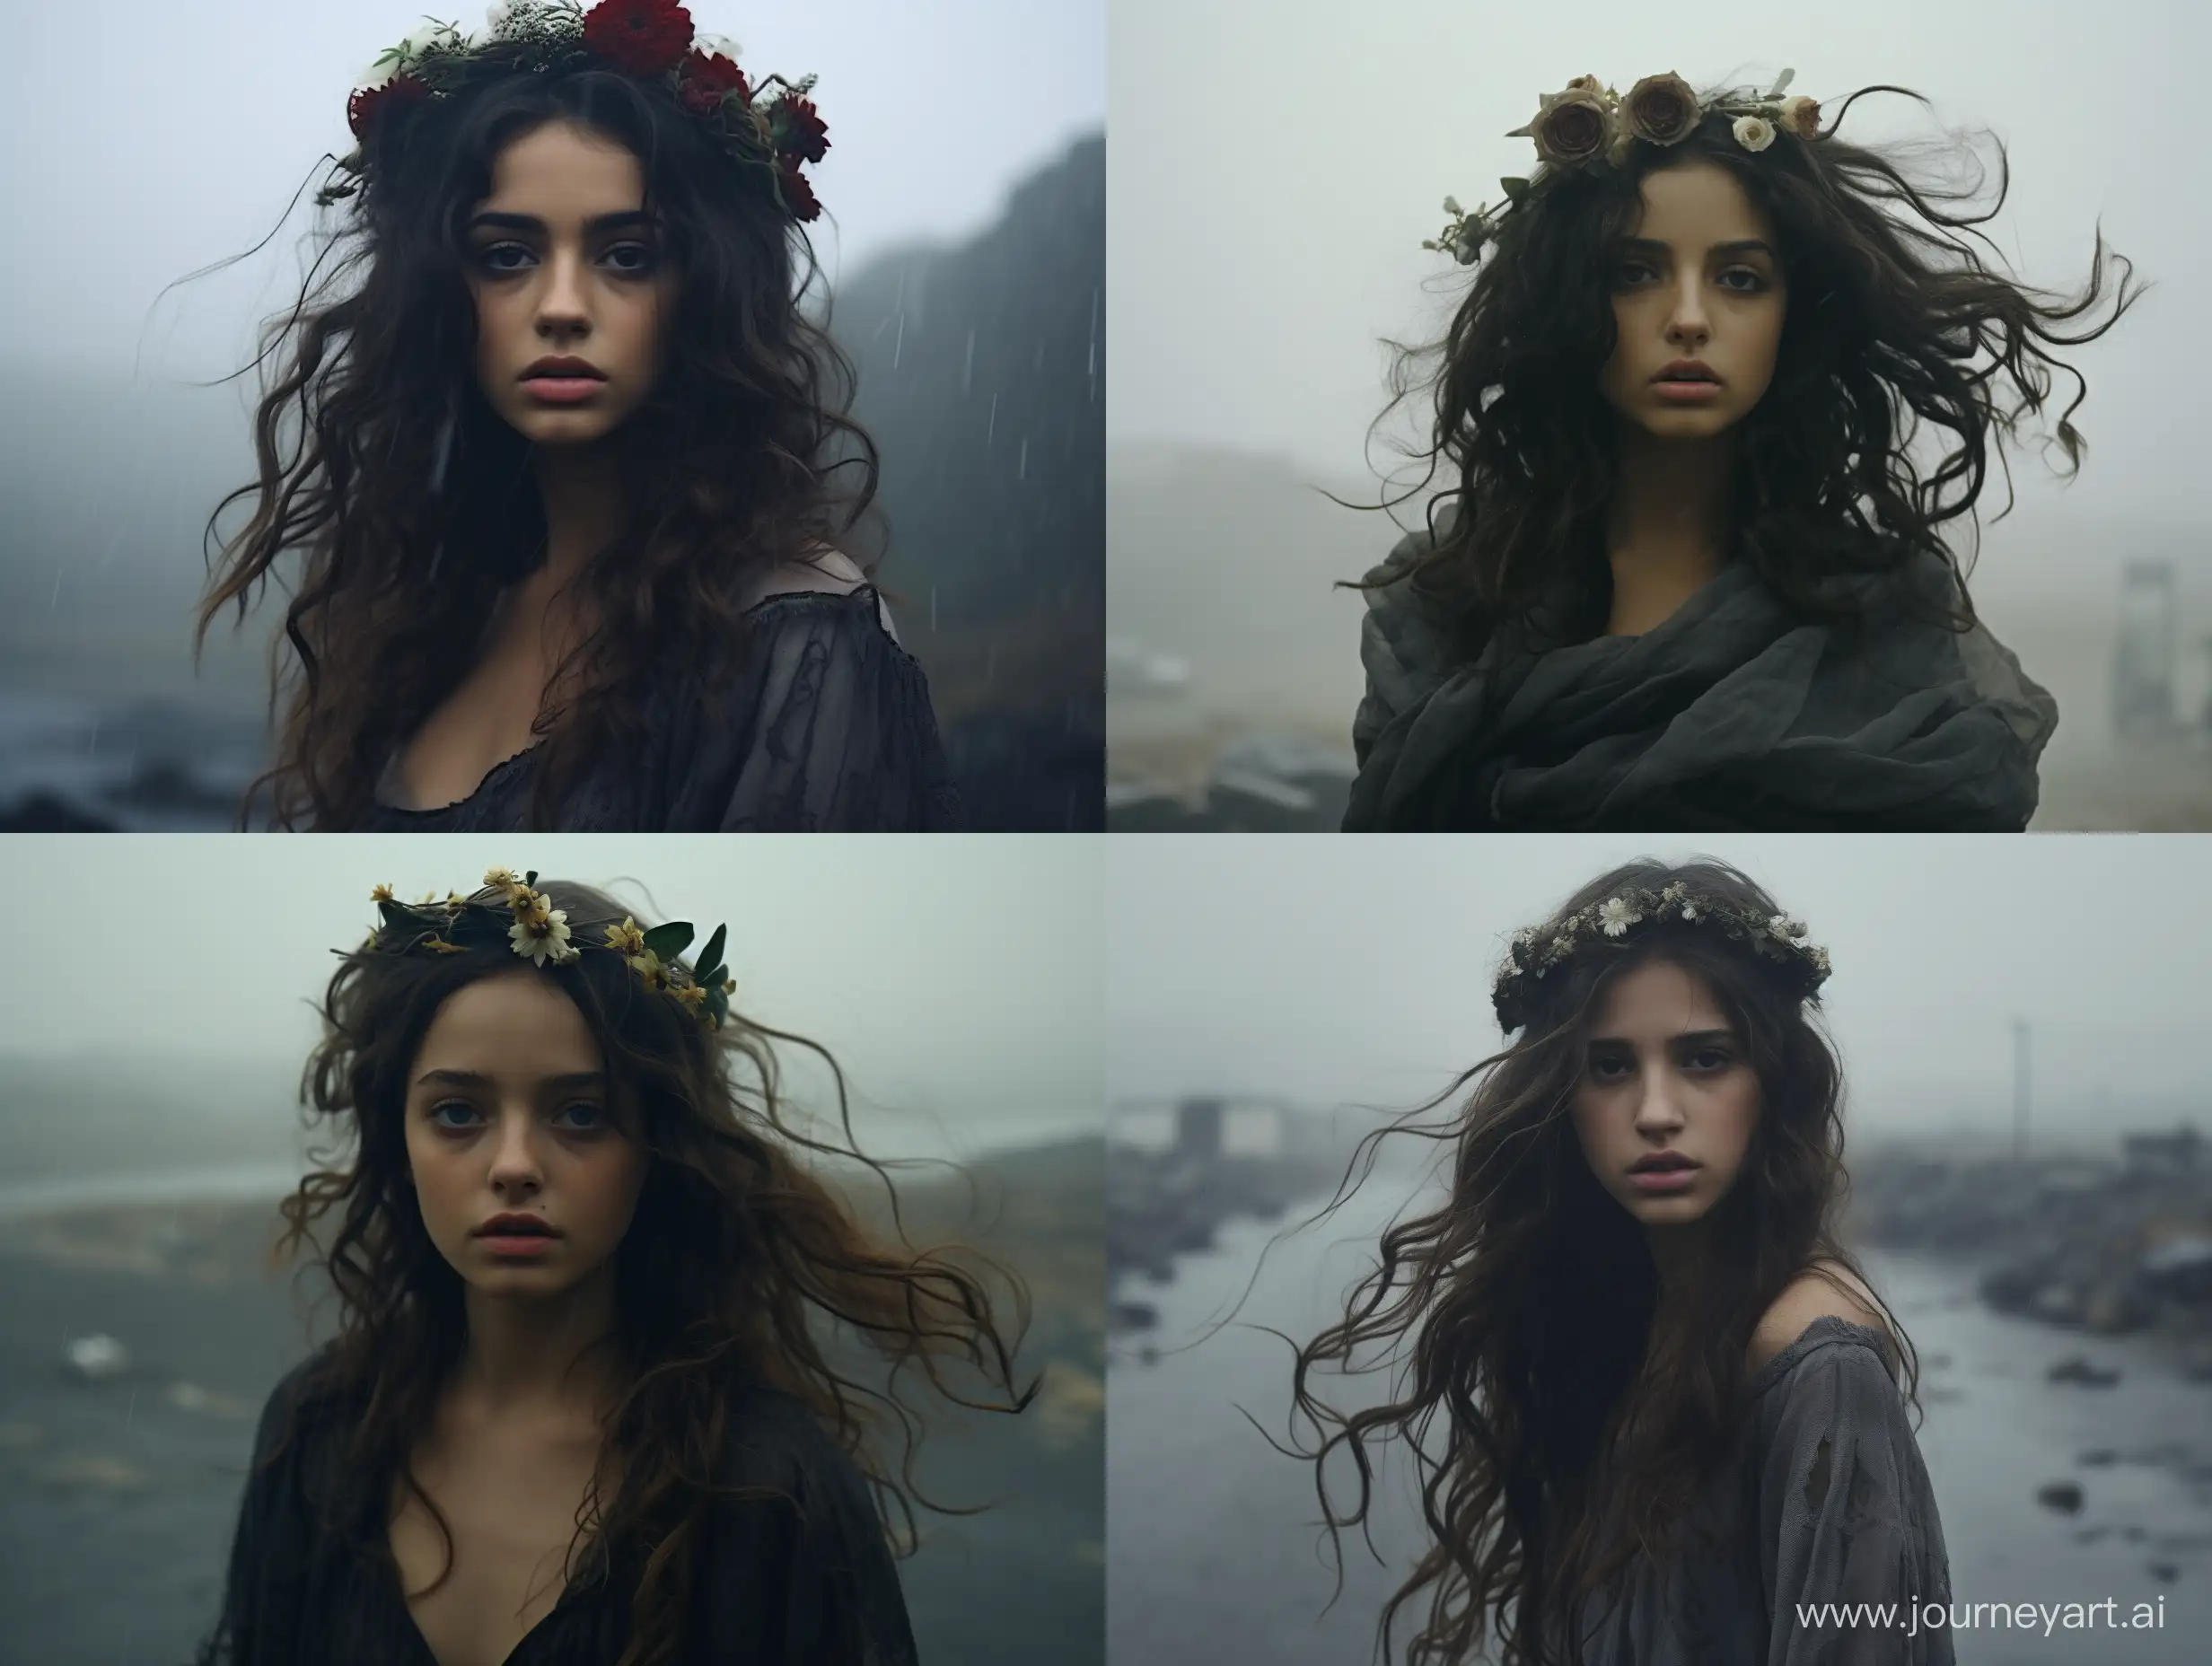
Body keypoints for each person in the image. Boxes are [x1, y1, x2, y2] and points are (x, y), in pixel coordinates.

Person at [190, 868, 1031, 1665]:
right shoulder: (320, 1429)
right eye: (457, 1111)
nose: (514, 1164)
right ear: (397, 1141)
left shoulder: (766, 1488)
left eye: (582, 1114)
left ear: (656, 1147)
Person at [193, 3, 959, 830]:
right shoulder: (441, 616)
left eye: (627, 256)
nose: (561, 308)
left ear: (704, 291)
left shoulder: (794, 634)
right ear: (441, 292)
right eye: (507, 256)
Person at [1344, 68, 2146, 831]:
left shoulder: (1887, 622)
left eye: (1740, 279)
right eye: (1634, 272)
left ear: (1793, 317)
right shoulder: (1447, 610)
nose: (1689, 317)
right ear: (1567, 302)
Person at [1289, 858, 1953, 1664]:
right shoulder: (1638, 1319)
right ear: (1559, 1098)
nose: (1656, 1113)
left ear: (1773, 1083)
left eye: (1705, 1059)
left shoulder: (1818, 1369)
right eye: (1609, 1067)